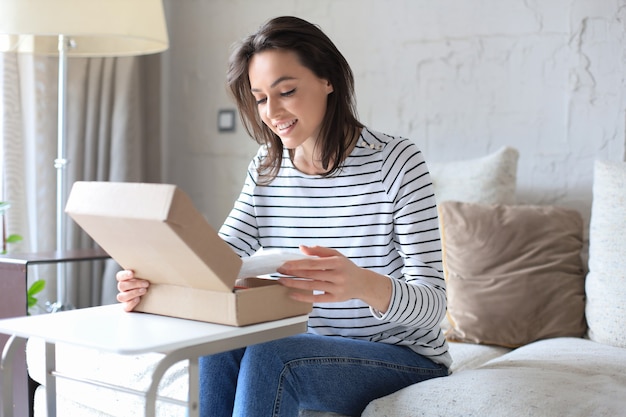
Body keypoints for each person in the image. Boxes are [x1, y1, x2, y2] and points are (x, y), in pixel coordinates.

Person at [117, 15, 451, 417]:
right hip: (311, 348)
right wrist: (152, 279)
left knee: (275, 355)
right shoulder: (266, 169)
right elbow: (217, 263)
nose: (271, 111)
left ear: (328, 79)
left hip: (403, 358)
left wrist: (362, 284)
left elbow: (434, 304)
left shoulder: (395, 162)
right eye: (260, 98)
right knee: (221, 341)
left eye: (286, 91)